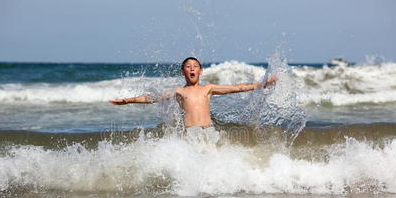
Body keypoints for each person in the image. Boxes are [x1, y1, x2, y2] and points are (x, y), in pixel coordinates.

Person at [109, 57, 277, 127]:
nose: (192, 69)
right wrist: (126, 100)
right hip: (190, 133)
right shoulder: (179, 91)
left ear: (200, 71)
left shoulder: (208, 88)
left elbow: (236, 88)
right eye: (188, 67)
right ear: (183, 72)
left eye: (195, 66)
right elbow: (151, 98)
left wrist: (262, 84)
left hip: (208, 132)